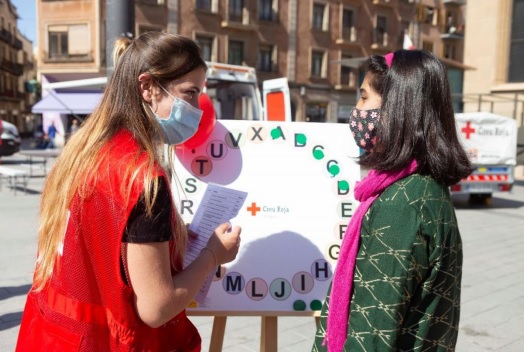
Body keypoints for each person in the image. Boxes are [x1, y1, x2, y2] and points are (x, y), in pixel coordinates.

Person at [16, 32, 241, 352]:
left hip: (53, 334)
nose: (198, 108)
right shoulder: (141, 179)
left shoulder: (83, 150)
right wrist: (212, 255)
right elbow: (157, 308)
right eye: (190, 93)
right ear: (147, 87)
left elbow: (106, 243)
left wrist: (171, 240)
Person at [312, 50, 473, 351]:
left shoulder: (401, 206)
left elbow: (371, 335)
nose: (356, 110)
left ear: (398, 109)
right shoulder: (424, 188)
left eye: (363, 98)